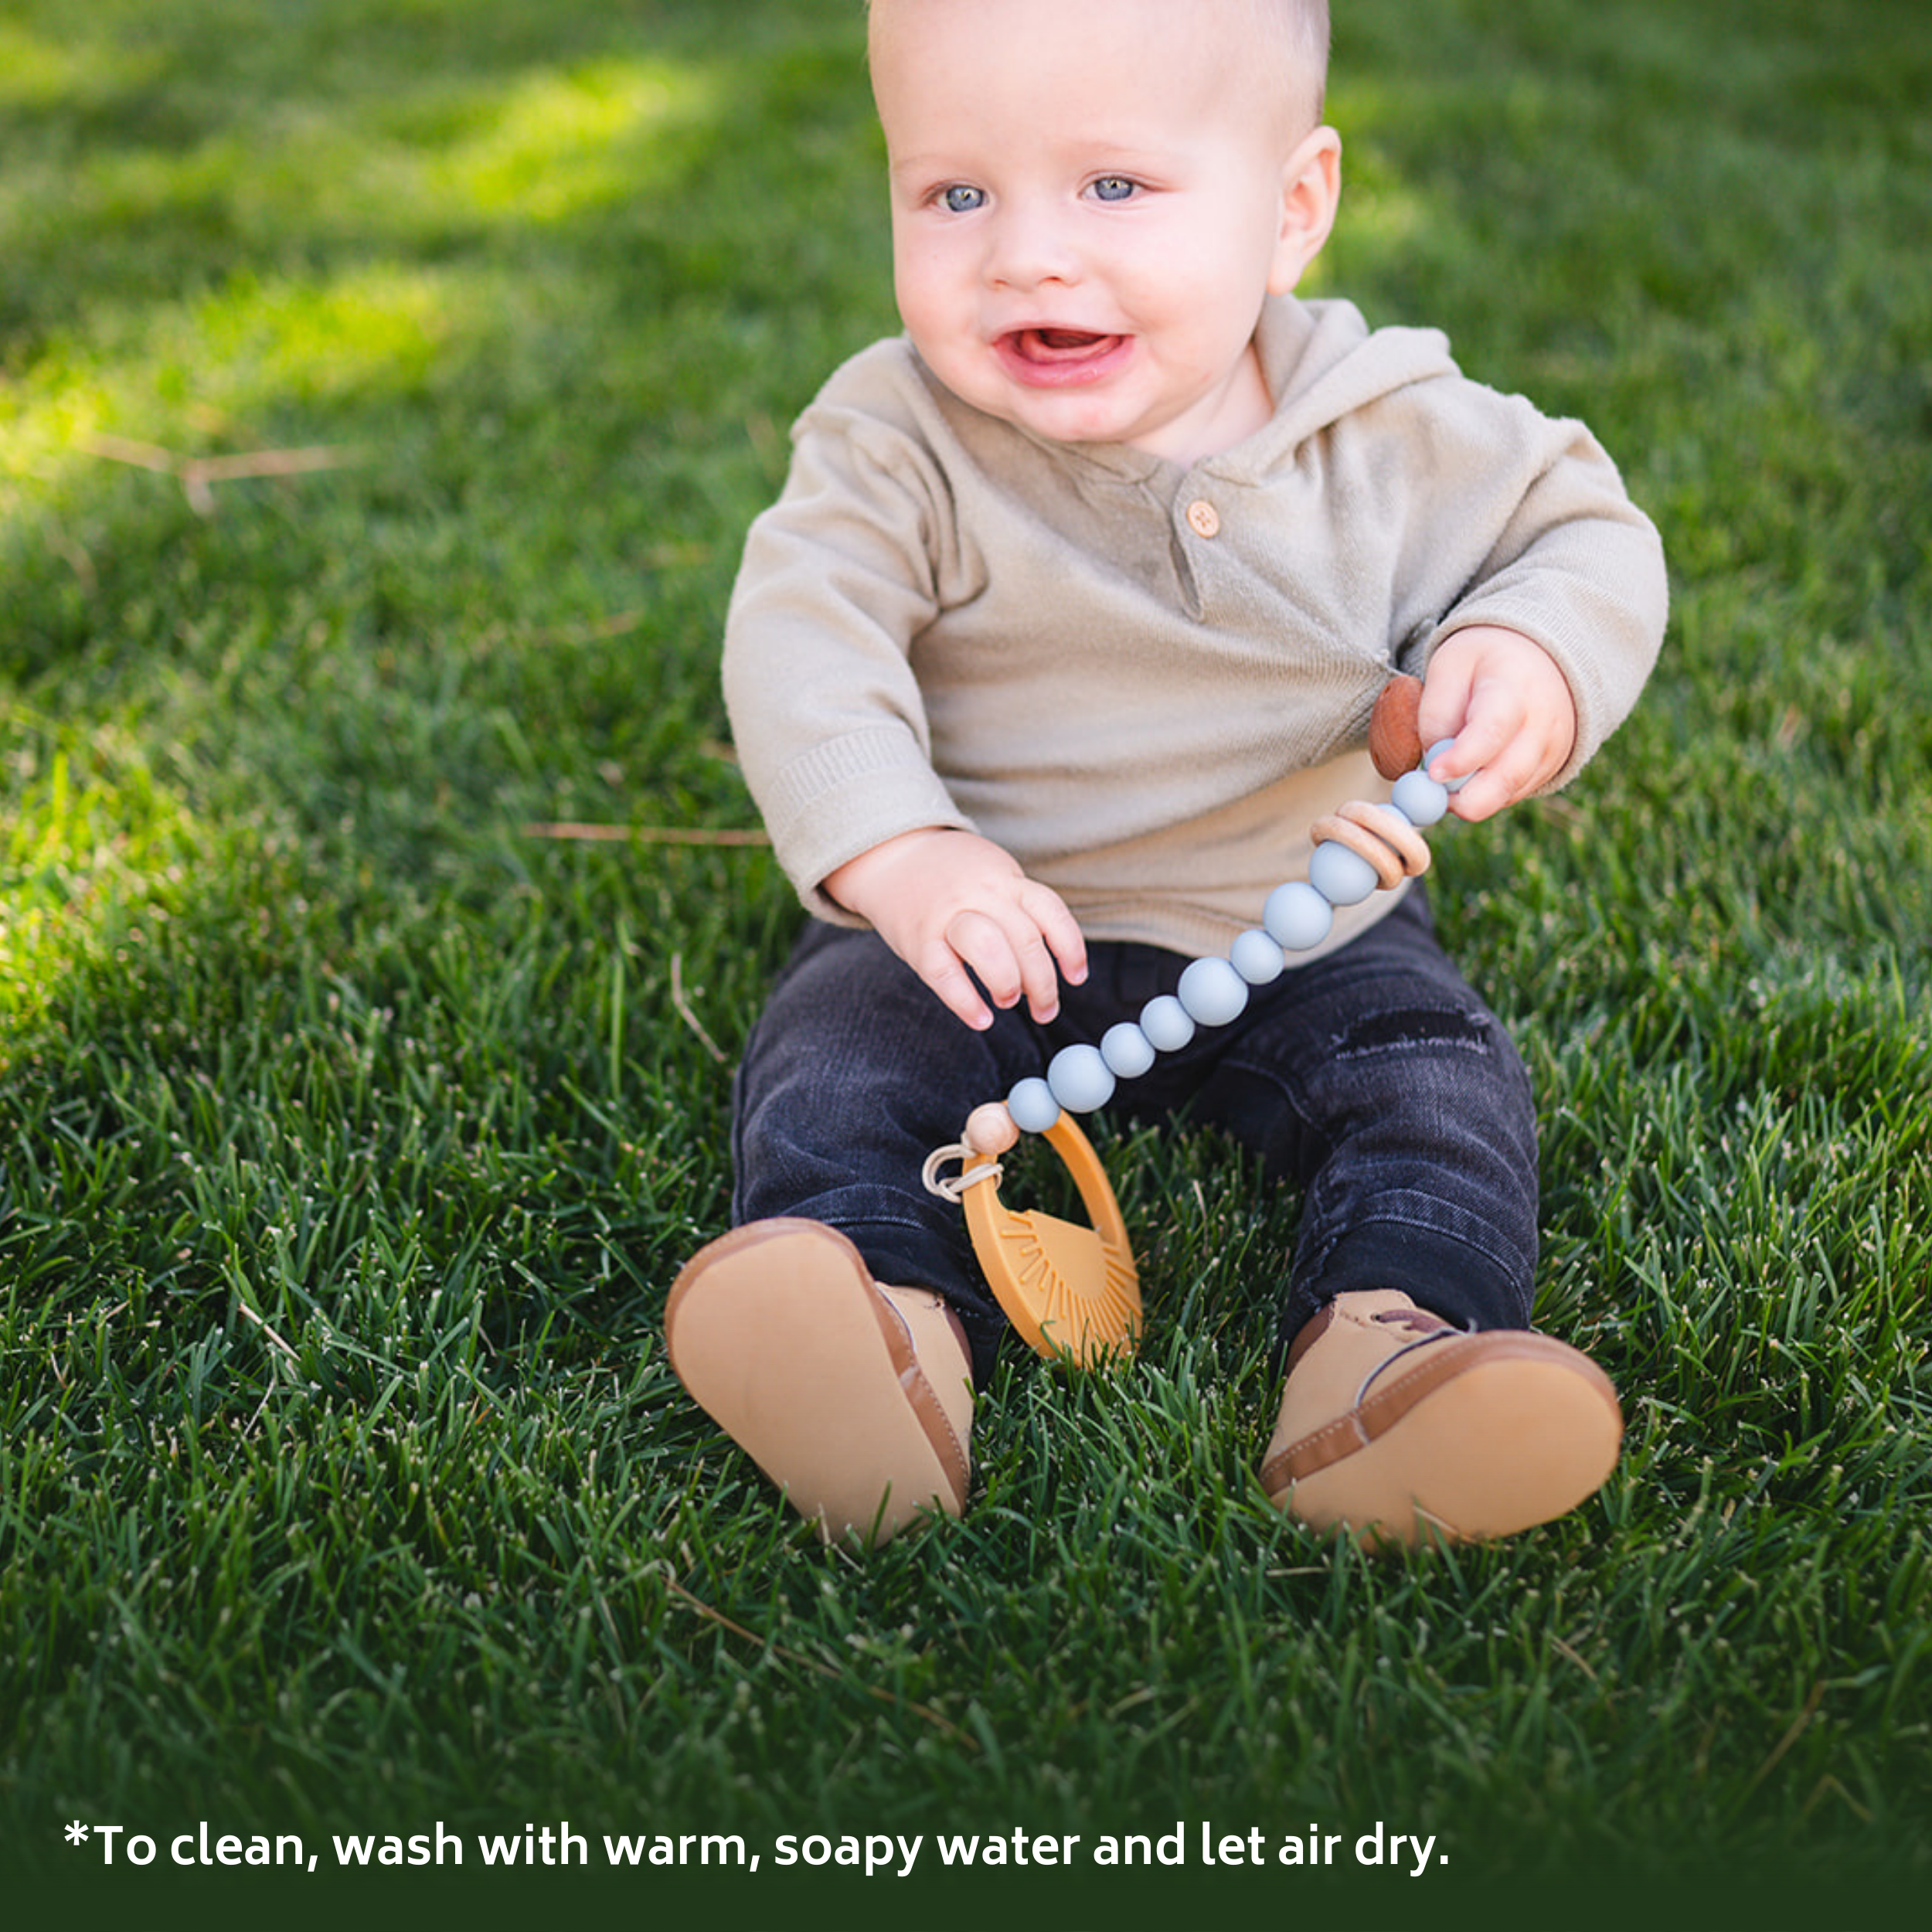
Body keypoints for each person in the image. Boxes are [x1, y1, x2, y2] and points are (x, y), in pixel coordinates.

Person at [664, 0, 1667, 1549]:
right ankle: (871, 1340)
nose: (1025, 256)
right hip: (979, 916)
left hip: (1297, 913)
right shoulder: (898, 434)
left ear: (1291, 209)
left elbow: (1579, 536)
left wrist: (1527, 650)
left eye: (1112, 188)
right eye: (954, 194)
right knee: (844, 1060)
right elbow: (804, 632)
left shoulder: (1390, 430)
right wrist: (901, 851)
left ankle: (1384, 1361)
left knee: (1430, 1080)